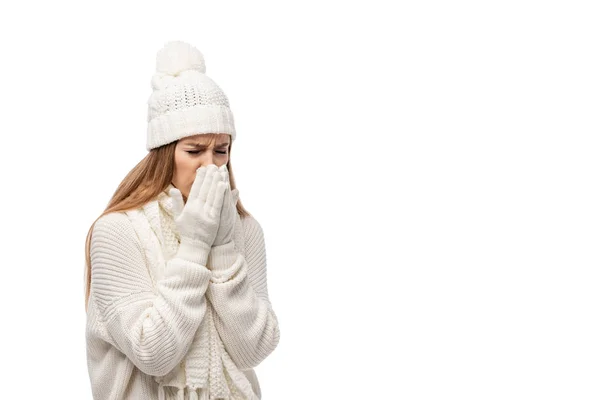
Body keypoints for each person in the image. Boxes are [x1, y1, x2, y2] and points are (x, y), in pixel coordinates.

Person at [84, 40, 280, 400]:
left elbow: (255, 350)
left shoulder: (245, 230)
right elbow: (153, 354)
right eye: (194, 150)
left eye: (221, 150)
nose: (210, 164)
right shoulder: (116, 230)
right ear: (164, 151)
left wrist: (221, 249)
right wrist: (194, 246)